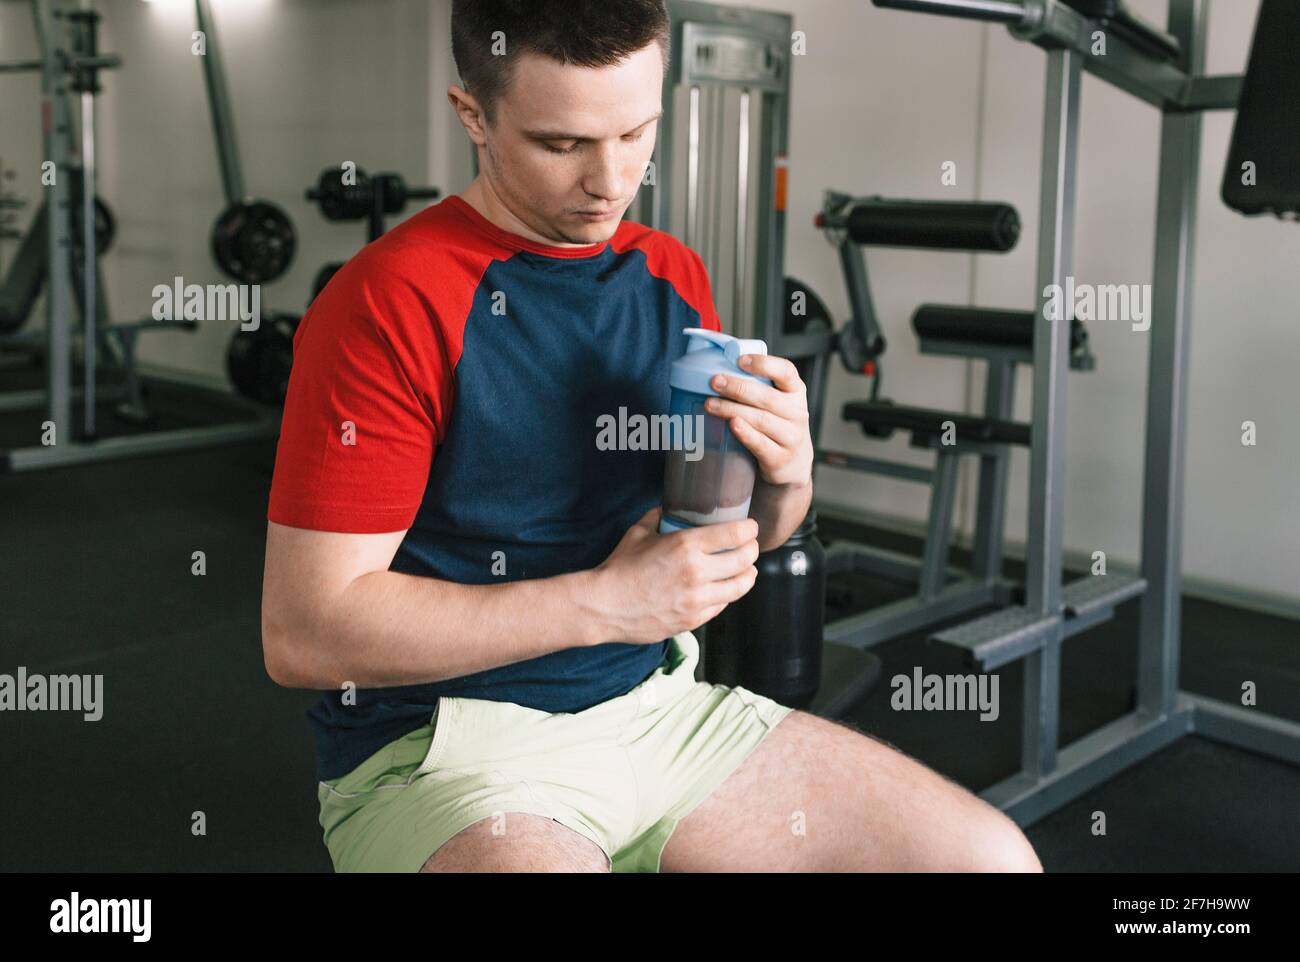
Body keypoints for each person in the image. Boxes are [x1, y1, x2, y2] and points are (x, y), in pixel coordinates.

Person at [260, 0, 1042, 874]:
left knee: (989, 862)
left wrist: (786, 480)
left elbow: (712, 548)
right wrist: (606, 601)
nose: (611, 180)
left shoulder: (670, 273)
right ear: (472, 114)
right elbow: (304, 634)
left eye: (639, 133)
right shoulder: (387, 304)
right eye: (562, 145)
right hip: (447, 746)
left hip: (659, 713)